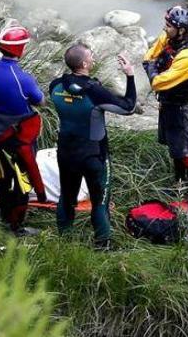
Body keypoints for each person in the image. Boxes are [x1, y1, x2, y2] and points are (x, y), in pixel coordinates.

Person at [49, 44, 136, 250]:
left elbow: (70, 95)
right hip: (93, 155)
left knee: (67, 197)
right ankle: (102, 245)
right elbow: (129, 107)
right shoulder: (94, 91)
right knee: (99, 201)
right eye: (91, 57)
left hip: (66, 153)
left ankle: (64, 242)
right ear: (85, 64)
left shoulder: (55, 86)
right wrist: (130, 76)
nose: (94, 59)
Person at [0, 25, 47, 235]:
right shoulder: (22, 78)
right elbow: (40, 101)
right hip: (18, 136)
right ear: (21, 50)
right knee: (22, 181)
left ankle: (2, 213)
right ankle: (16, 226)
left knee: (2, 175)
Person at [142, 6, 188, 208]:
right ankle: (178, 184)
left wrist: (152, 70)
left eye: (169, 25)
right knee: (175, 148)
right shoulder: (171, 38)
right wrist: (151, 66)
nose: (165, 28)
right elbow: (149, 57)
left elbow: (158, 81)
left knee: (186, 153)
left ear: (181, 30)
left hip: (180, 108)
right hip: (168, 104)